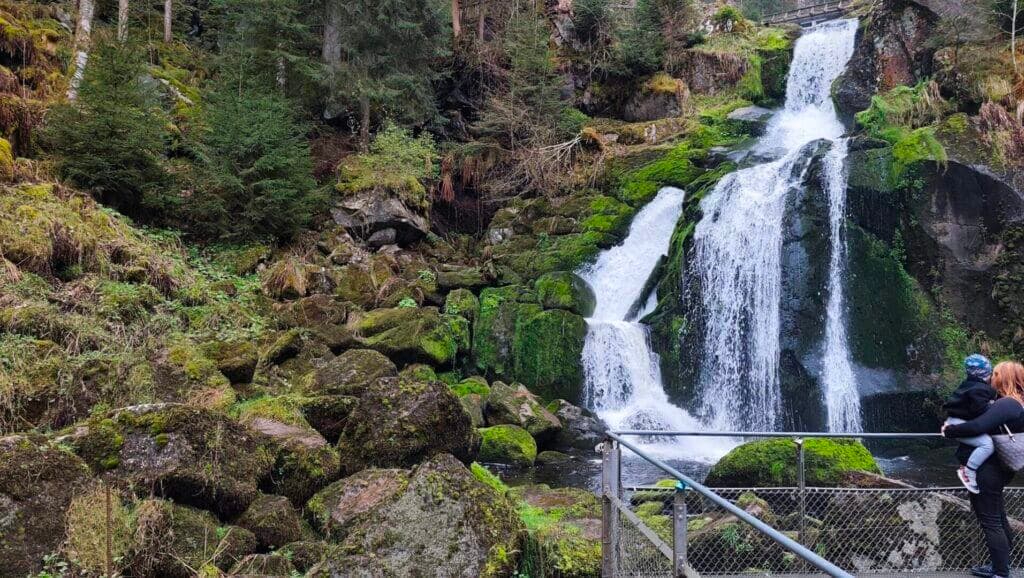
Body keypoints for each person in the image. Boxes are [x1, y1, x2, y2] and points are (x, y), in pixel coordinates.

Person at [943, 360, 1024, 578]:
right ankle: (999, 565)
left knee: (990, 521)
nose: (991, 378)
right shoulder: (1012, 403)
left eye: (995, 374)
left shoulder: (1008, 404)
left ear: (1005, 378)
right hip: (997, 468)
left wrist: (950, 430)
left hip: (989, 470)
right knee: (998, 516)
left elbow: (979, 426)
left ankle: (1000, 572)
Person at [943, 354, 997, 493]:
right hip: (960, 424)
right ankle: (969, 471)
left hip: (955, 421)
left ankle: (966, 466)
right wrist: (994, 406)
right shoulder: (980, 389)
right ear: (986, 373)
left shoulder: (966, 385)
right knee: (987, 445)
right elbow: (981, 410)